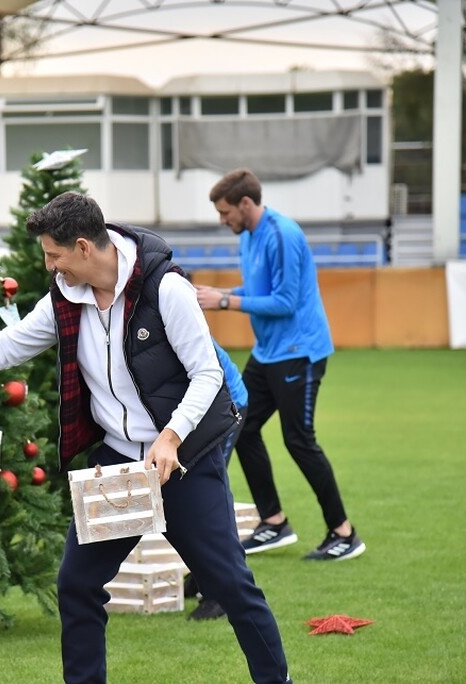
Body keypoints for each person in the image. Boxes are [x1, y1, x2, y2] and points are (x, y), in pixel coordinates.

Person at [0, 192, 291, 684]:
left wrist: (170, 437)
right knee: (77, 584)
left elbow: (207, 375)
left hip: (182, 461)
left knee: (230, 584)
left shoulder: (166, 289)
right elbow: (9, 346)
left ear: (83, 247)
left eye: (54, 255)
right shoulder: (64, 295)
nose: (50, 266)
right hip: (117, 465)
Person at [195, 168, 365, 562]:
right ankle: (273, 522)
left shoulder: (283, 235)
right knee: (243, 423)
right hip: (269, 351)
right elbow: (257, 293)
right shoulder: (250, 236)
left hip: (299, 352)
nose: (223, 221)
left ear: (246, 204)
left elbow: (284, 301)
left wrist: (223, 302)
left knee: (298, 440)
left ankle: (344, 533)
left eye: (225, 213)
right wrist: (220, 293)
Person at [186, 337, 248, 621]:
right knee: (188, 498)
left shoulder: (169, 310)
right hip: (192, 414)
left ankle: (220, 593)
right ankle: (202, 576)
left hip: (223, 407)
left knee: (208, 499)